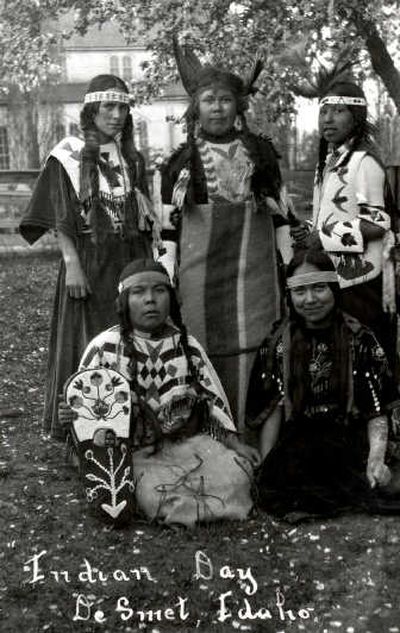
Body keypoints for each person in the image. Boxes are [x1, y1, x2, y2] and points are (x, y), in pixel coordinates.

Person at [157, 38, 298, 425]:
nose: (217, 107)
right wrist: (167, 270)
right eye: (208, 100)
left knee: (260, 342)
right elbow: (169, 229)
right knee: (202, 343)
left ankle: (257, 426)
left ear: (238, 105)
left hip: (254, 273)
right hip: (200, 275)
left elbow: (281, 216)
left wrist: (289, 264)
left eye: (224, 99)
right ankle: (212, 428)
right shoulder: (180, 162)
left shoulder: (261, 153)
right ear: (195, 107)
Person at [61, 259, 259, 527]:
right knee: (154, 492)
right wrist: (72, 418)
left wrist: (235, 444)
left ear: (172, 299)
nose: (150, 300)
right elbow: (84, 413)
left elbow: (213, 402)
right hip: (133, 453)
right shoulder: (104, 347)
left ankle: (188, 508)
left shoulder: (187, 346)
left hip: (189, 444)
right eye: (138, 292)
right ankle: (194, 506)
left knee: (238, 474)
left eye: (159, 290)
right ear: (123, 301)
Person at [20, 74, 158, 439]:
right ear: (91, 110)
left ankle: (128, 420)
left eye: (123, 107)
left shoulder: (131, 157)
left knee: (129, 334)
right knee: (89, 338)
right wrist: (72, 266)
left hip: (129, 257)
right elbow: (62, 215)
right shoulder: (69, 152)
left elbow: (142, 217)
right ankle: (84, 425)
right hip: (88, 257)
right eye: (108, 107)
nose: (116, 115)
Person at [247, 249, 400, 518]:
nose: (310, 299)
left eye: (319, 288)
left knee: (362, 481)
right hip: (299, 439)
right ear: (289, 295)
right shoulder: (279, 344)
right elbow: (274, 405)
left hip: (347, 436)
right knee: (286, 484)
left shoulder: (359, 339)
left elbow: (376, 408)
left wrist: (375, 459)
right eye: (300, 292)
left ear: (334, 289)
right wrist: (266, 466)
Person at [307, 80, 397, 363]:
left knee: (369, 355)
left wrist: (322, 238)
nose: (328, 119)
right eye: (324, 112)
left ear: (356, 117)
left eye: (339, 111)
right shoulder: (331, 162)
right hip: (338, 279)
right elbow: (331, 215)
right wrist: (308, 232)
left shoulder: (363, 162)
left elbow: (377, 223)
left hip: (363, 282)